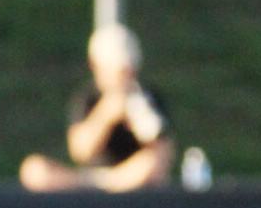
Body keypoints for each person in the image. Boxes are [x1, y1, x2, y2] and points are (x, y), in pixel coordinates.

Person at [19, 22, 175, 192]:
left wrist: (140, 121)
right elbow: (79, 151)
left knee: (150, 164)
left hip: (131, 179)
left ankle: (108, 186)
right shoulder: (88, 98)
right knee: (34, 170)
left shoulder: (146, 97)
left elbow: (161, 156)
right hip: (89, 178)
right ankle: (99, 186)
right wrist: (106, 114)